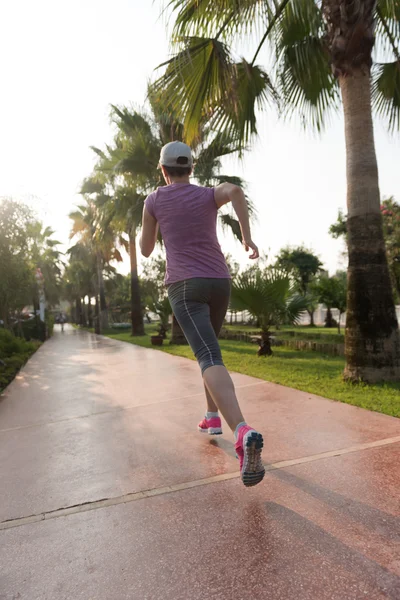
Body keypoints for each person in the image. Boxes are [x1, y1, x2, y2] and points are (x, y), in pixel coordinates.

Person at [140, 141, 264, 487]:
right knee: (210, 350)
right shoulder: (208, 194)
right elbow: (235, 190)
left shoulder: (154, 200)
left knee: (208, 354)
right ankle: (212, 418)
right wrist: (246, 238)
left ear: (163, 169)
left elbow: (146, 249)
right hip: (219, 281)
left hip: (184, 285)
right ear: (191, 168)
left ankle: (241, 431)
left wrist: (149, 224)